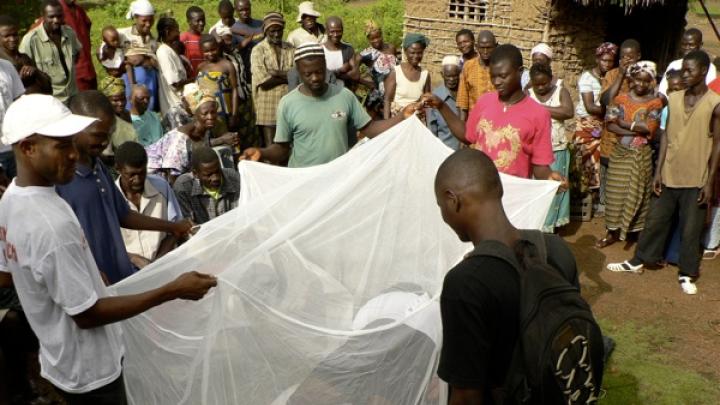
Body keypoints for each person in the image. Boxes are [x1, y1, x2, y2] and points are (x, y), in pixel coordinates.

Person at [0, 93, 217, 404]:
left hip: (63, 360)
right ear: (28, 148)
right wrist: (173, 289)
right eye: (62, 145)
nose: (73, 154)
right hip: (92, 373)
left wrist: (73, 274)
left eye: (72, 141)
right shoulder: (49, 224)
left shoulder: (14, 199)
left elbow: (7, 274)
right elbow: (87, 315)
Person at [434, 148, 579, 405]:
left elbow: (466, 396)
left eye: (440, 207)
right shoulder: (555, 249)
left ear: (451, 200)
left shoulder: (466, 283)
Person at [607, 51, 720, 296]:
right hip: (669, 171)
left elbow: (718, 143)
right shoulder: (674, 97)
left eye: (690, 71)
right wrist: (658, 171)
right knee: (656, 220)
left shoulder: (715, 103)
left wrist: (710, 182)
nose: (685, 75)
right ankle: (639, 260)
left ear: (703, 72)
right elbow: (666, 134)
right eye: (683, 70)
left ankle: (687, 273)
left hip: (697, 176)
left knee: (691, 228)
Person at [55, 91, 193, 284]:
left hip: (121, 278)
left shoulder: (98, 166)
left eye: (109, 134)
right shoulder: (61, 179)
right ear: (75, 128)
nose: (105, 142)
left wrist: (172, 226)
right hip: (94, 283)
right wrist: (90, 272)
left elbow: (123, 214)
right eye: (98, 135)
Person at [241, 43, 420, 168]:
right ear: (298, 71)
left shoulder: (344, 95)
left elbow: (371, 129)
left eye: (319, 71)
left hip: (338, 179)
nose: (315, 78)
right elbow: (281, 149)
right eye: (307, 74)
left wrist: (401, 116)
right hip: (304, 180)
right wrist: (261, 152)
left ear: (325, 66)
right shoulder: (288, 104)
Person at [423, 44, 565, 185]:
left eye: (503, 76)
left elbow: (539, 165)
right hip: (479, 190)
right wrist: (441, 106)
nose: (497, 82)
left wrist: (549, 177)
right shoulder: (485, 101)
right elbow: (467, 135)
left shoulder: (538, 114)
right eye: (493, 76)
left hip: (513, 194)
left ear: (520, 72)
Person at [596, 61, 664, 248]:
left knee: (638, 195)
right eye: (638, 80)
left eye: (646, 80)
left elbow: (650, 128)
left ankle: (634, 232)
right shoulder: (619, 99)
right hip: (620, 154)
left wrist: (625, 124)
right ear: (631, 80)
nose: (641, 84)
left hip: (641, 155)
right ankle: (612, 231)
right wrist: (637, 128)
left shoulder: (655, 103)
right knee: (615, 193)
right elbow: (609, 124)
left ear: (651, 81)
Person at [146, 85, 238, 183]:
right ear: (195, 114)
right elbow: (174, 177)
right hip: (150, 176)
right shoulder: (181, 140)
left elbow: (199, 148)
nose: (210, 116)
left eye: (213, 112)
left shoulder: (205, 130)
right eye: (205, 113)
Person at [115, 141, 182, 268]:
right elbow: (109, 245)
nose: (138, 179)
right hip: (129, 271)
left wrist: (157, 263)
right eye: (132, 175)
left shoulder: (161, 187)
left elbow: (175, 229)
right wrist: (133, 258)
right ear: (118, 169)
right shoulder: (110, 198)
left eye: (142, 172)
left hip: (165, 263)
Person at [528, 63, 573, 233]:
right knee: (537, 190)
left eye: (544, 83)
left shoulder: (560, 91)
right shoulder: (527, 93)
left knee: (556, 188)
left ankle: (552, 228)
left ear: (551, 79)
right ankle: (537, 226)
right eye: (537, 84)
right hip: (534, 152)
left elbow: (568, 112)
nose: (540, 87)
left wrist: (537, 108)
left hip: (557, 148)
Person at [599, 39, 641, 208]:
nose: (627, 60)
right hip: (611, 137)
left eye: (631, 57)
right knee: (607, 179)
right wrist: (621, 75)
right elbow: (606, 100)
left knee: (625, 185)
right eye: (623, 57)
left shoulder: (645, 77)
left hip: (633, 138)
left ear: (639, 57)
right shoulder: (612, 74)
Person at [573, 42, 617, 197]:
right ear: (597, 59)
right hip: (588, 124)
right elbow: (590, 107)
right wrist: (613, 112)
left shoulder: (614, 78)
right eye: (604, 60)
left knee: (604, 160)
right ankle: (586, 194)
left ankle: (599, 196)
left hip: (606, 124)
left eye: (610, 61)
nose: (607, 64)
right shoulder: (587, 78)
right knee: (587, 160)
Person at [19, 0, 81, 103]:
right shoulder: (30, 40)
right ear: (42, 16)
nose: (56, 20)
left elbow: (77, 56)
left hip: (73, 96)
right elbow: (24, 71)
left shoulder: (69, 33)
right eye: (51, 17)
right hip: (50, 100)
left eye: (59, 16)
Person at [251, 12, 294, 147]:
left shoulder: (291, 48)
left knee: (288, 146)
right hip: (267, 106)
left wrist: (276, 73)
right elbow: (263, 82)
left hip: (289, 106)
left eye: (279, 30)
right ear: (265, 31)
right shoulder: (258, 50)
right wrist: (287, 77)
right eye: (272, 31)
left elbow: (298, 75)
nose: (276, 34)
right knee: (271, 147)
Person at [173, 146, 240, 224]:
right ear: (195, 174)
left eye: (218, 171)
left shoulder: (233, 177)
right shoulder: (184, 186)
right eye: (209, 175)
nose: (215, 178)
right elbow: (188, 225)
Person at [119, 0, 159, 112]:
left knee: (148, 112)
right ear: (135, 18)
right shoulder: (123, 35)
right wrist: (126, 59)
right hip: (130, 83)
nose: (148, 24)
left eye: (151, 20)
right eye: (144, 20)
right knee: (132, 113)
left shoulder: (153, 39)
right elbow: (104, 52)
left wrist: (145, 59)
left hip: (150, 83)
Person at [0, 15, 52, 95]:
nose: (12, 39)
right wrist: (18, 80)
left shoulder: (24, 57)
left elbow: (48, 87)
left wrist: (35, 71)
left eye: (15, 35)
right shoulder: (2, 62)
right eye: (7, 36)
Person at [384, 33, 431, 119]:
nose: (416, 56)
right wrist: (386, 123)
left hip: (417, 119)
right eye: (412, 52)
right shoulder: (396, 72)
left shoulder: (425, 74)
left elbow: (427, 102)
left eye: (419, 53)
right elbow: (387, 100)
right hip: (396, 119)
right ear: (405, 51)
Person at [196, 35, 239, 129]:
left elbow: (235, 89)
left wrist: (234, 115)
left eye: (213, 49)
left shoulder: (227, 65)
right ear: (202, 51)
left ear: (218, 48)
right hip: (207, 114)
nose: (210, 53)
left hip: (225, 112)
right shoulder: (200, 67)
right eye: (206, 51)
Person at [358, 20, 397, 119]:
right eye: (372, 39)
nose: (376, 40)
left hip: (395, 94)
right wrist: (368, 84)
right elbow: (352, 72)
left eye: (378, 36)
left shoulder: (391, 48)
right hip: (378, 98)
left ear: (381, 35)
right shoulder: (367, 54)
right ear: (368, 39)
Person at [659, 28, 716, 95]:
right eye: (684, 44)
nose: (687, 48)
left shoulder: (709, 67)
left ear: (700, 45)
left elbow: (709, 91)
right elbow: (662, 89)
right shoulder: (674, 65)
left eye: (691, 45)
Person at [456, 30, 496, 121]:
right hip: (475, 123)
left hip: (497, 124)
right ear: (477, 47)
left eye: (489, 47)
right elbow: (463, 101)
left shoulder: (501, 67)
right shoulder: (468, 66)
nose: (485, 51)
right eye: (482, 48)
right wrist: (463, 128)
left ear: (496, 46)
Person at [57, 0, 95, 91]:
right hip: (72, 73)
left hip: (87, 67)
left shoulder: (79, 10)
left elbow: (86, 29)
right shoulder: (55, 11)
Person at [156, 17, 190, 117]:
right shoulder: (163, 52)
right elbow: (175, 83)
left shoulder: (170, 51)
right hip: (174, 107)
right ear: (167, 32)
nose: (179, 33)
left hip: (180, 104)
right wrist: (195, 79)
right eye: (176, 29)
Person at [99, 76, 139, 155]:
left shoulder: (127, 115)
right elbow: (107, 154)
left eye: (123, 99)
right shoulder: (104, 121)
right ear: (106, 100)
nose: (120, 103)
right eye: (115, 100)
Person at [428, 56, 461, 150]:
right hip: (445, 151)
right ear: (442, 75)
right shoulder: (435, 97)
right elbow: (432, 128)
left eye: (454, 76)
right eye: (448, 76)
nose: (451, 79)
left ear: (460, 74)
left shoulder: (466, 94)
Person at [322, 17, 359, 88]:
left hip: (344, 91)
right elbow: (319, 75)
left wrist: (335, 74)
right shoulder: (320, 50)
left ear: (342, 30)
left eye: (338, 31)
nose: (335, 35)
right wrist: (340, 71)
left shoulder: (348, 49)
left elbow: (355, 75)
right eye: (332, 31)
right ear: (326, 31)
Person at [181, 6, 207, 79]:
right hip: (191, 81)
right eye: (198, 21)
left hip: (206, 79)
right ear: (189, 22)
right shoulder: (184, 39)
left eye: (203, 20)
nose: (201, 23)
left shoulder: (205, 38)